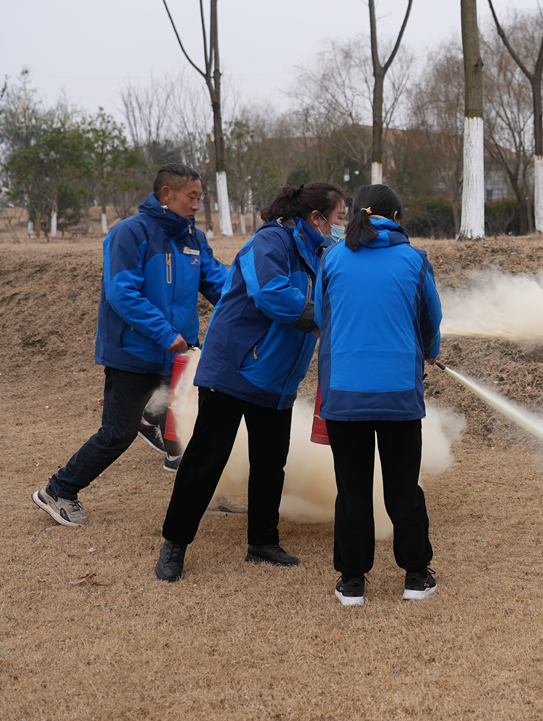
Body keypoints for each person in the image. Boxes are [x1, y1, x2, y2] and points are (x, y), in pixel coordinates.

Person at [154, 182, 348, 582]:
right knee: (206, 460)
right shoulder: (272, 241)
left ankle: (262, 541)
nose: (342, 225)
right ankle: (174, 544)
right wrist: (325, 320)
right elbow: (272, 294)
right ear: (316, 218)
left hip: (277, 379)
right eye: (339, 217)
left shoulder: (322, 253)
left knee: (270, 462)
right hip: (234, 369)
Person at [32, 164, 230, 527]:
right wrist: (165, 333)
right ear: (167, 194)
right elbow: (121, 293)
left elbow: (222, 285)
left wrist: (255, 300)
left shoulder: (193, 239)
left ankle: (209, 494)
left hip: (182, 358)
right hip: (134, 354)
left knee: (199, 427)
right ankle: (58, 491)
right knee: (117, 434)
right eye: (192, 196)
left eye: (201, 197)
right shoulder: (129, 233)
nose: (198, 204)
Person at [313, 184, 443, 606]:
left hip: (345, 394)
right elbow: (430, 323)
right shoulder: (415, 260)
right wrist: (429, 352)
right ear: (397, 217)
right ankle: (416, 577)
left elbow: (321, 317)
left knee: (352, 489)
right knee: (403, 486)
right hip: (399, 396)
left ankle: (352, 581)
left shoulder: (332, 258)